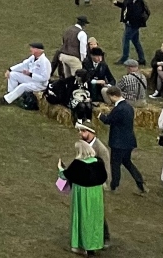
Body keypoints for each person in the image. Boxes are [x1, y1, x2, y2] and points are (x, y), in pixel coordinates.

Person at [60, 124, 108, 255]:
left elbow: (66, 175)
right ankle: (95, 244)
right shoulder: (98, 162)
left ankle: (82, 245)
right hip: (96, 194)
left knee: (83, 218)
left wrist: (60, 169)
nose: (80, 133)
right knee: (95, 218)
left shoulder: (78, 164)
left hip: (82, 195)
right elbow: (104, 175)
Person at [98, 87, 144, 194]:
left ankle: (114, 186)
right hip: (129, 140)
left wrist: (101, 116)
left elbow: (108, 120)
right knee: (127, 162)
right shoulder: (129, 107)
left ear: (113, 96)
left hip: (118, 142)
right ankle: (140, 182)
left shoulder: (118, 109)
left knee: (115, 164)